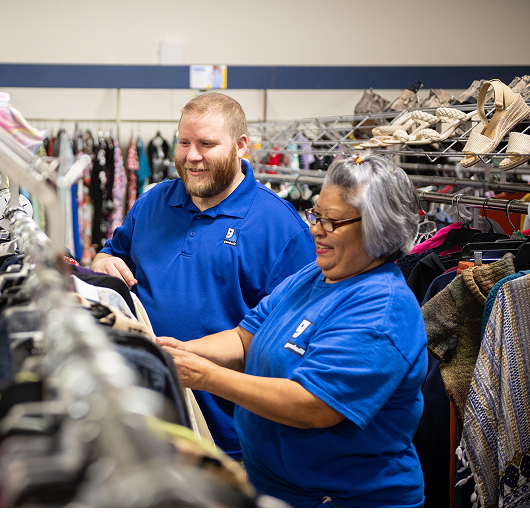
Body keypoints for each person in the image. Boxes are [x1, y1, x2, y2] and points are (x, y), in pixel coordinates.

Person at [157, 153, 428, 508]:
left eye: (332, 221)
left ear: (380, 227)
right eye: (316, 215)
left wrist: (205, 376)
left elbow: (312, 405)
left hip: (341, 502)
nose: (315, 229)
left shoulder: (381, 308)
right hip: (274, 488)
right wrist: (179, 352)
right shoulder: (315, 275)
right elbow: (244, 340)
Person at [91, 92, 316, 460]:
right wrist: (102, 259)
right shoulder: (152, 202)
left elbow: (290, 349)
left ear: (241, 146)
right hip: (145, 421)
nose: (192, 156)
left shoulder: (281, 227)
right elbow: (114, 253)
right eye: (184, 142)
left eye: (206, 143)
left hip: (234, 442)